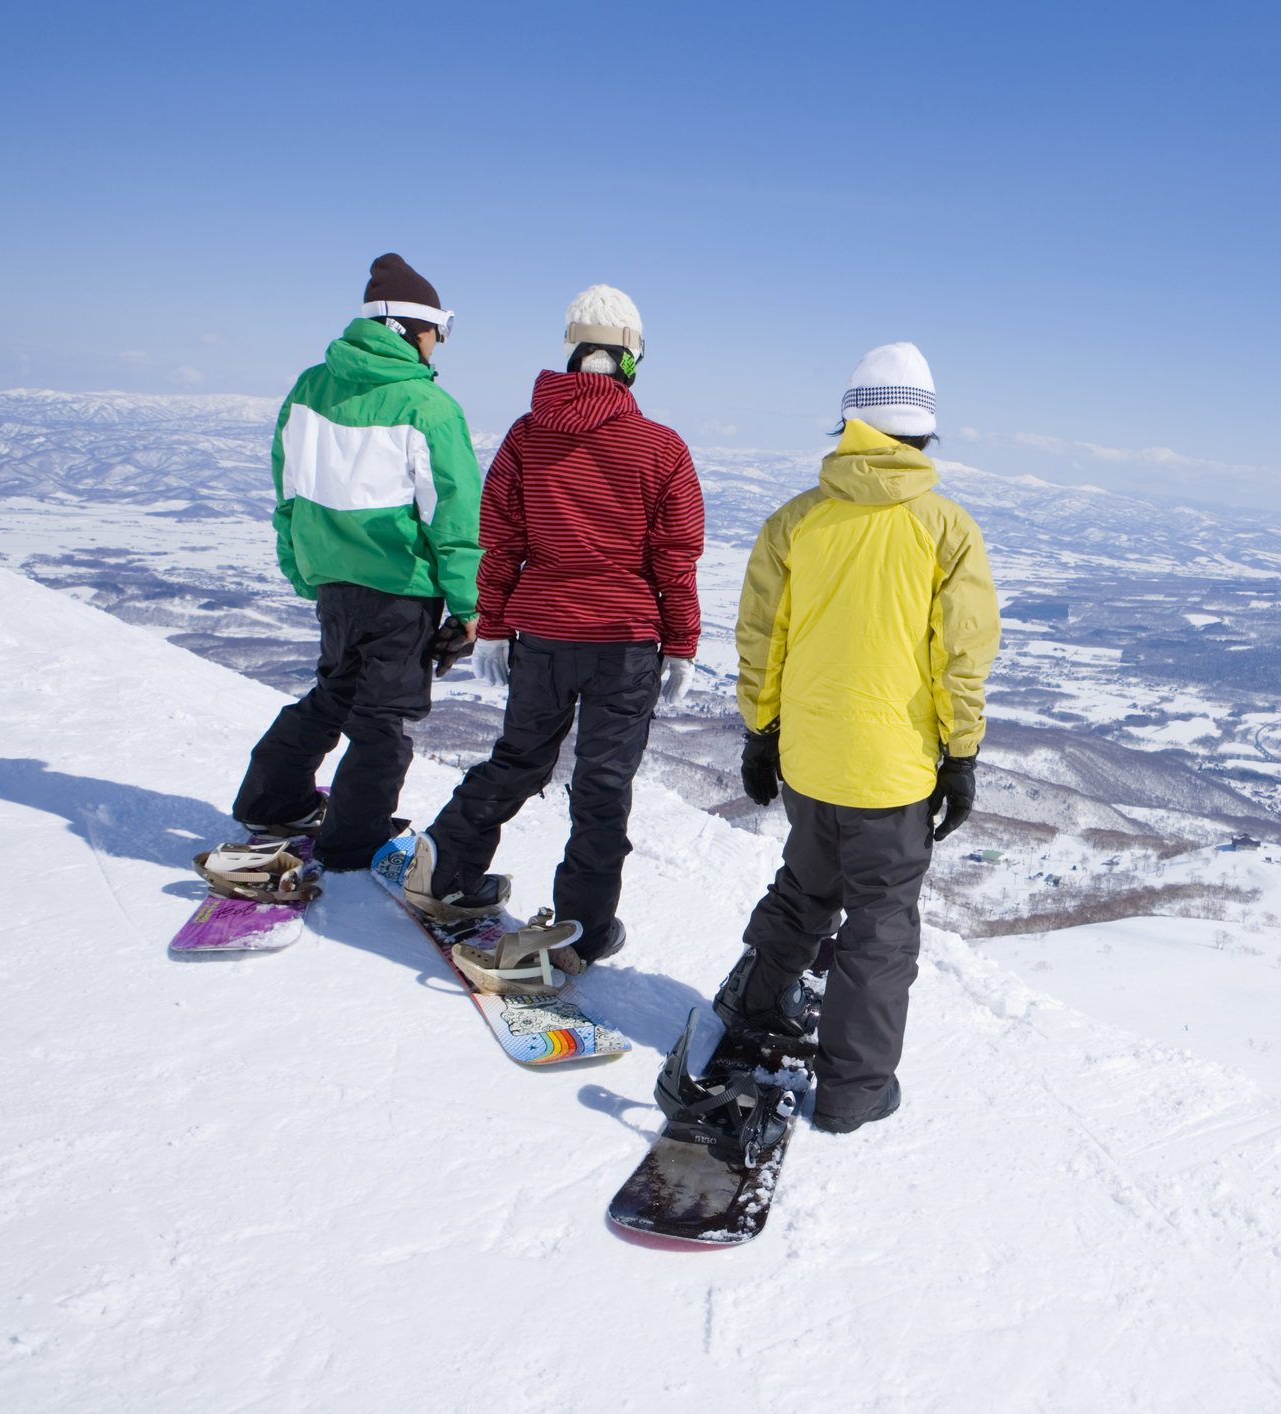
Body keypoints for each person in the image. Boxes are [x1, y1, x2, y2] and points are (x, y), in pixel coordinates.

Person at [702, 341, 1000, 1134]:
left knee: (805, 889)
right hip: (892, 775)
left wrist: (760, 733)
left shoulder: (795, 520)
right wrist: (960, 755)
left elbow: (761, 638)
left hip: (809, 760)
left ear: (849, 424)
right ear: (923, 432)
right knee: (880, 926)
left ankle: (752, 1008)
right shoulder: (947, 528)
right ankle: (852, 1092)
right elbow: (961, 657)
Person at [400, 285, 704, 994]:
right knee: (602, 787)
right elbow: (675, 559)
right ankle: (580, 934)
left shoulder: (526, 434)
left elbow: (500, 540)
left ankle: (443, 869)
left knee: (519, 758)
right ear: (632, 359)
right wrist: (681, 642)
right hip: (625, 642)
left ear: (572, 352)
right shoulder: (661, 448)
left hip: (541, 633)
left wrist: (495, 625)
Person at [230, 254, 482, 872]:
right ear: (406, 328)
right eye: (438, 329)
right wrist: (469, 604)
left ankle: (270, 801)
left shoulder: (309, 388)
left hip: (334, 582)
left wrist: (301, 567)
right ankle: (352, 841)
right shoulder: (429, 407)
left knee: (333, 694)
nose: (438, 343)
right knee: (383, 719)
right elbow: (454, 518)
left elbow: (288, 490)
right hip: (399, 588)